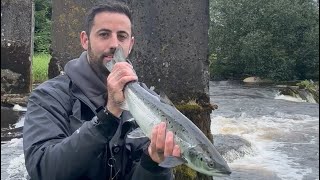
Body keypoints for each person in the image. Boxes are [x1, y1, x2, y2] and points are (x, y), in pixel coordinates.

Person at [23, 1, 181, 180]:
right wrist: (109, 114)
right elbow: (43, 170)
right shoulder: (47, 96)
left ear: (131, 44)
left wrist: (153, 163)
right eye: (104, 34)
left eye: (122, 36)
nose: (114, 44)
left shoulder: (150, 104)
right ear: (85, 40)